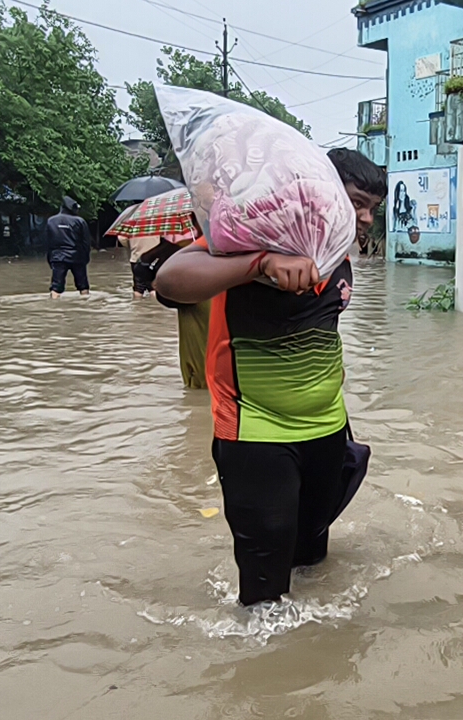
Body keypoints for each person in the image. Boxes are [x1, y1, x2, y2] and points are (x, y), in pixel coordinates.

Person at [154, 148, 387, 606]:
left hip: (327, 427)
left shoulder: (334, 249)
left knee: (312, 560)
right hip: (255, 431)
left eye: (372, 210)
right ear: (319, 191)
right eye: (357, 202)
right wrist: (258, 264)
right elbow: (170, 279)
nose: (365, 219)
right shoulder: (257, 236)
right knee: (264, 598)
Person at [46, 196, 92, 299]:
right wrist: (85, 258)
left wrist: (50, 259)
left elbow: (48, 243)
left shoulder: (51, 221)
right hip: (77, 257)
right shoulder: (80, 221)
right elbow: (86, 243)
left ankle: (54, 308)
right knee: (83, 285)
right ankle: (86, 306)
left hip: (57, 257)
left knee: (56, 286)